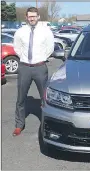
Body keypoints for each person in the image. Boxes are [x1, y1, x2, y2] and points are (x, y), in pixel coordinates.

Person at [13, 7, 54, 136]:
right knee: (20, 98)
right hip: (24, 67)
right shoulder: (20, 32)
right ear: (26, 17)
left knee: (45, 98)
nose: (32, 18)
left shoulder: (46, 32)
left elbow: (50, 48)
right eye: (30, 16)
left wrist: (40, 59)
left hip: (40, 68)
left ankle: (46, 125)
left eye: (34, 16)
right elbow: (17, 49)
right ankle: (19, 125)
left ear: (38, 17)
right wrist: (26, 60)